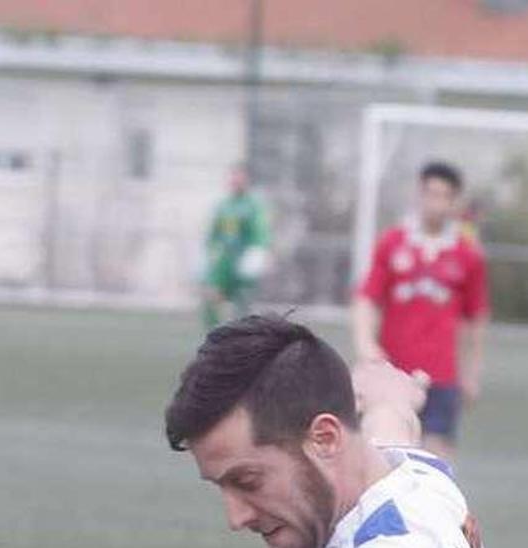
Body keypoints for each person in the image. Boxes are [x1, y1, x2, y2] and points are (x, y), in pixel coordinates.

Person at [164, 314, 482, 548]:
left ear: (325, 439)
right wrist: (389, 399)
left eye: (248, 481)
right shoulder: (415, 473)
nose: (236, 517)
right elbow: (391, 424)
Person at [351, 161, 489, 460]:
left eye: (443, 196)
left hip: (441, 376)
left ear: (454, 202)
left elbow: (475, 319)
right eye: (430, 194)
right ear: (419, 194)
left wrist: (472, 373)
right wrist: (366, 344)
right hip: (394, 375)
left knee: (435, 462)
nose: (435, 203)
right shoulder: (392, 244)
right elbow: (367, 299)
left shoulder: (467, 255)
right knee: (383, 460)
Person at [201, 163, 272, 330]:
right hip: (225, 259)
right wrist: (210, 251)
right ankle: (213, 334)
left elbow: (261, 233)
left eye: (239, 176)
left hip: (243, 259)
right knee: (211, 295)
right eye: (233, 176)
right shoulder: (223, 206)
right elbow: (213, 234)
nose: (235, 180)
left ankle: (240, 337)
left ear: (247, 180)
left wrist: (260, 253)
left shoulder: (254, 206)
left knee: (242, 302)